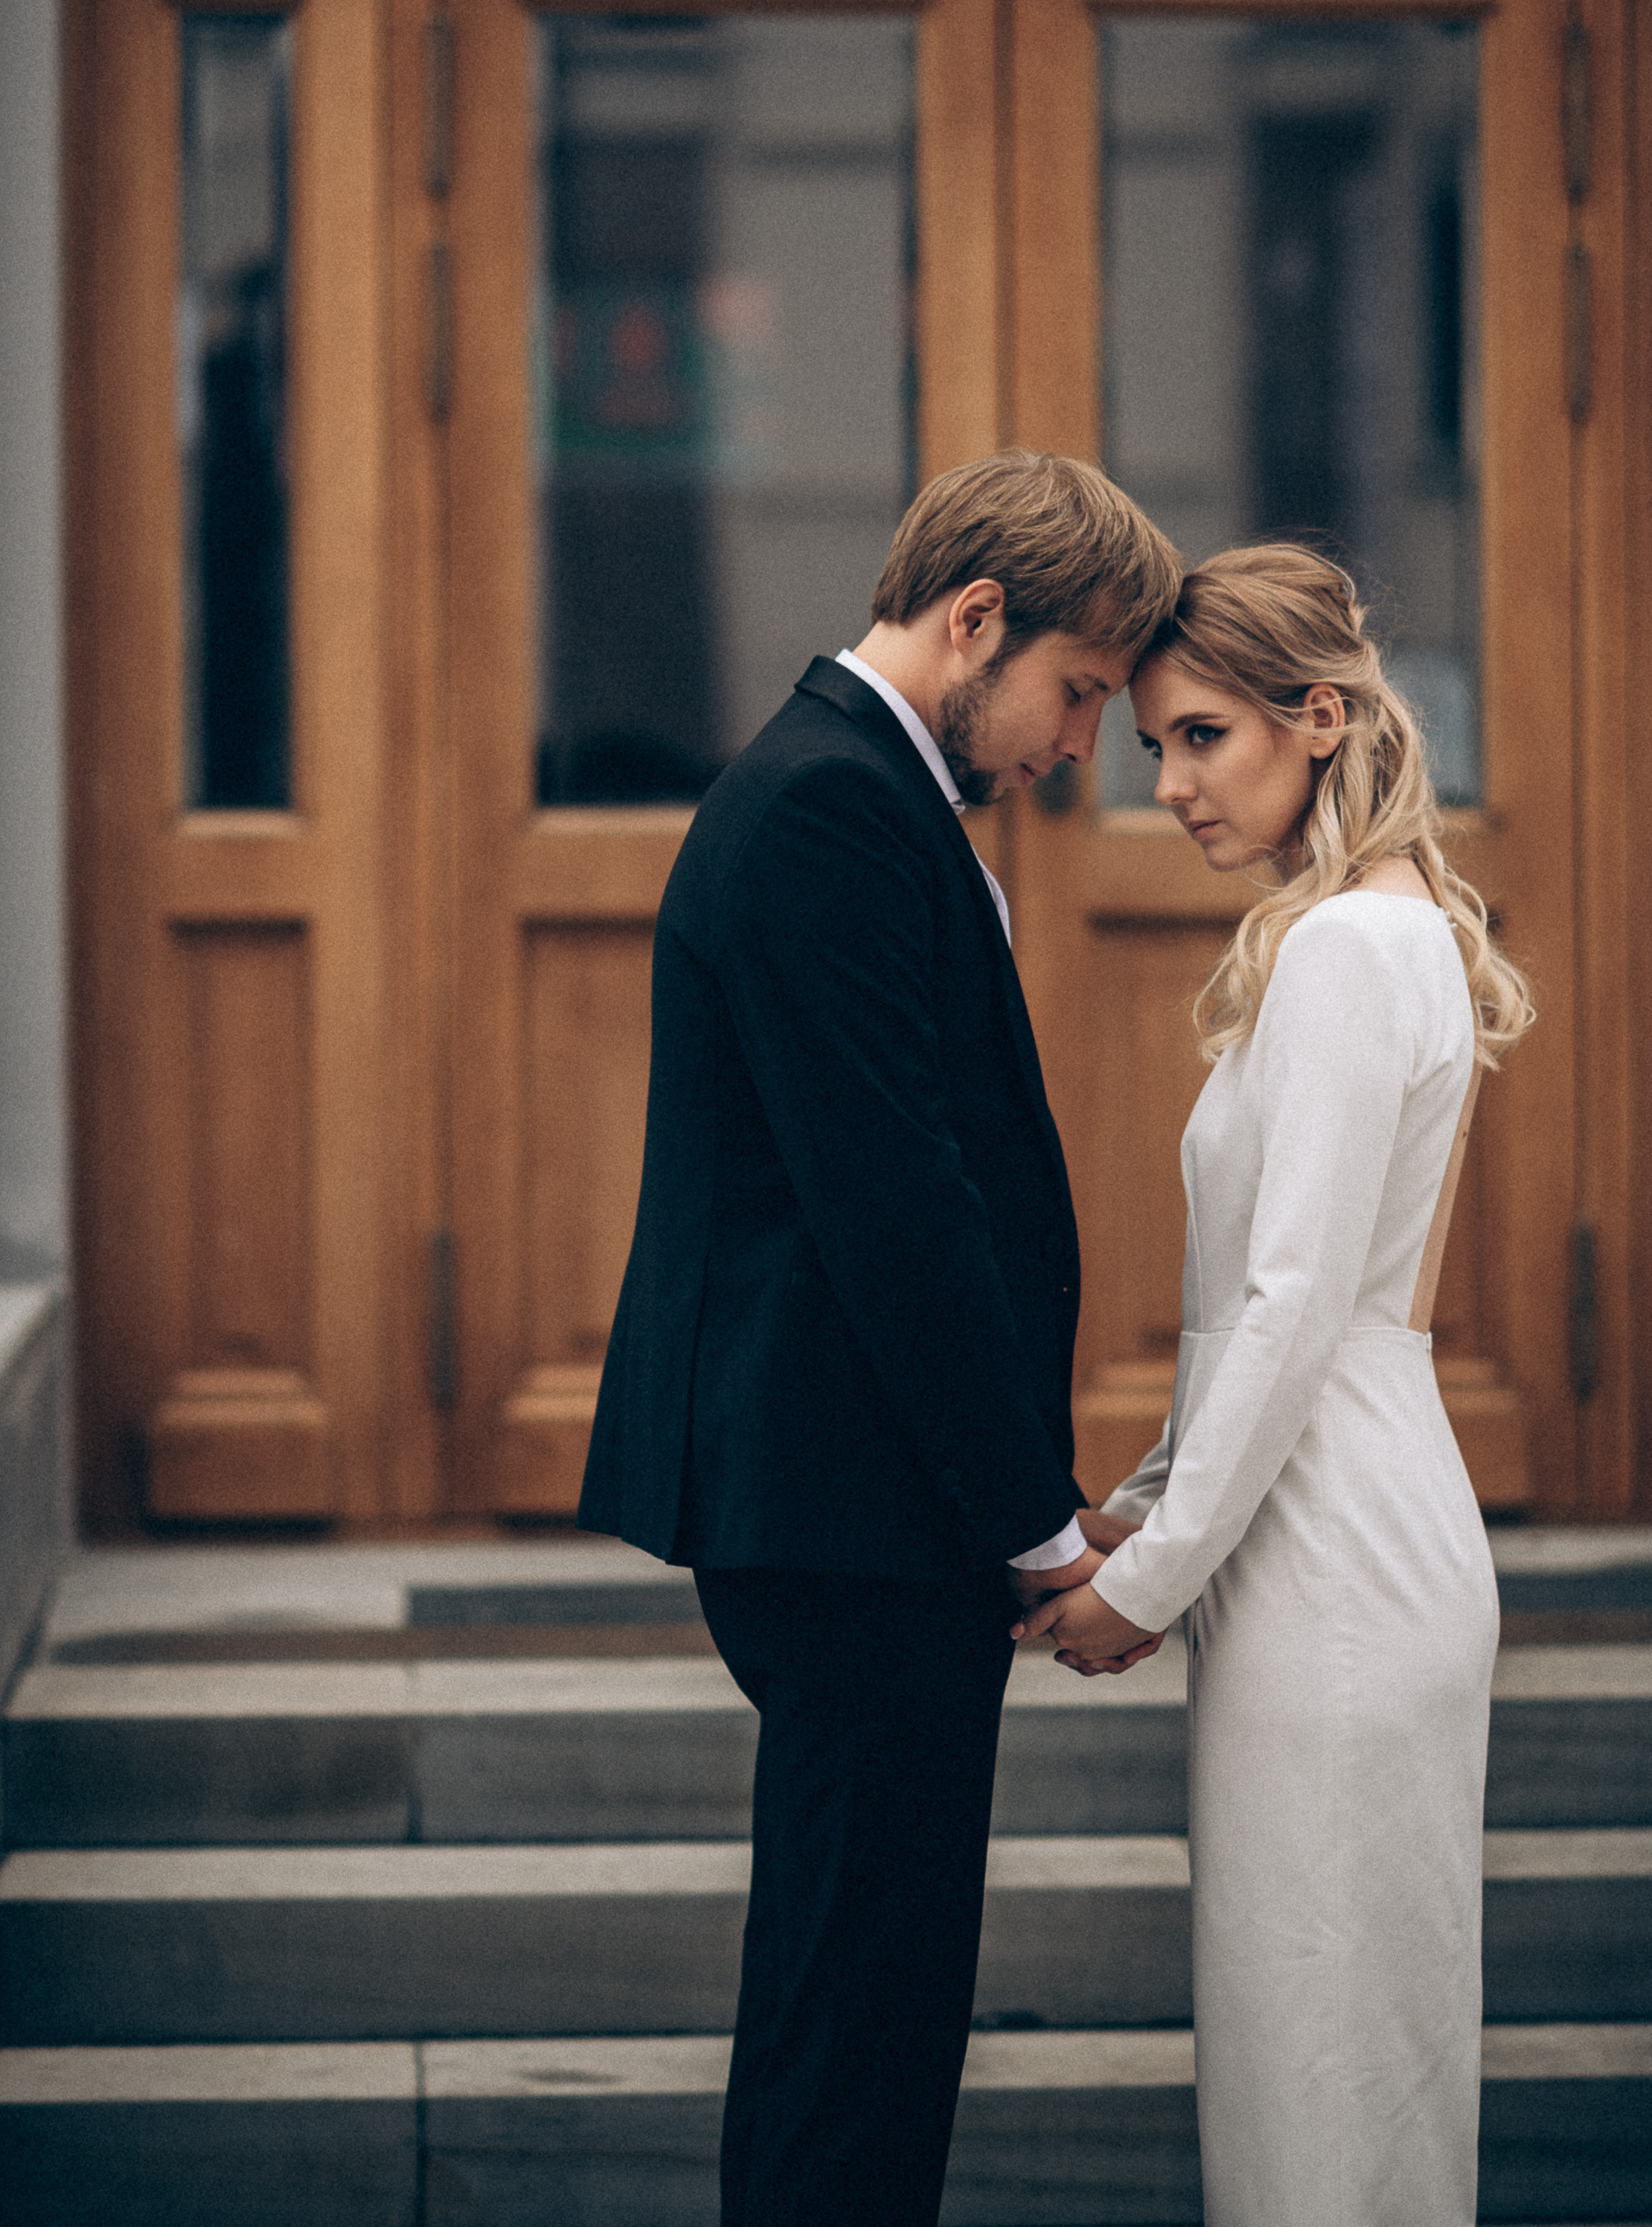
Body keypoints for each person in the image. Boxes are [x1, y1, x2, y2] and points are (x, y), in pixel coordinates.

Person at [578, 449, 1182, 2227]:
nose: (1080, 746)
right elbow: (894, 1203)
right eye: (1076, 692)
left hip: (864, 1498)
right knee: (860, 2017)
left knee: (872, 1998)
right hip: (850, 1514)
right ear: (974, 619)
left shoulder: (863, 789)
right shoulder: (834, 804)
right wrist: (1040, 1521)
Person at [1016, 543, 1534, 2227]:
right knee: (1313, 2062)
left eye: (1201, 738)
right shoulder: (1364, 938)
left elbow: (1302, 1299)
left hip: (1336, 1566)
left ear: (1319, 720)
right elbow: (1260, 1308)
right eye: (1152, 742)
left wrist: (1146, 1581)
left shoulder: (1344, 954)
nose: (1164, 784)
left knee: (1326, 2079)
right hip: (1313, 1526)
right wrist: (1156, 1498)